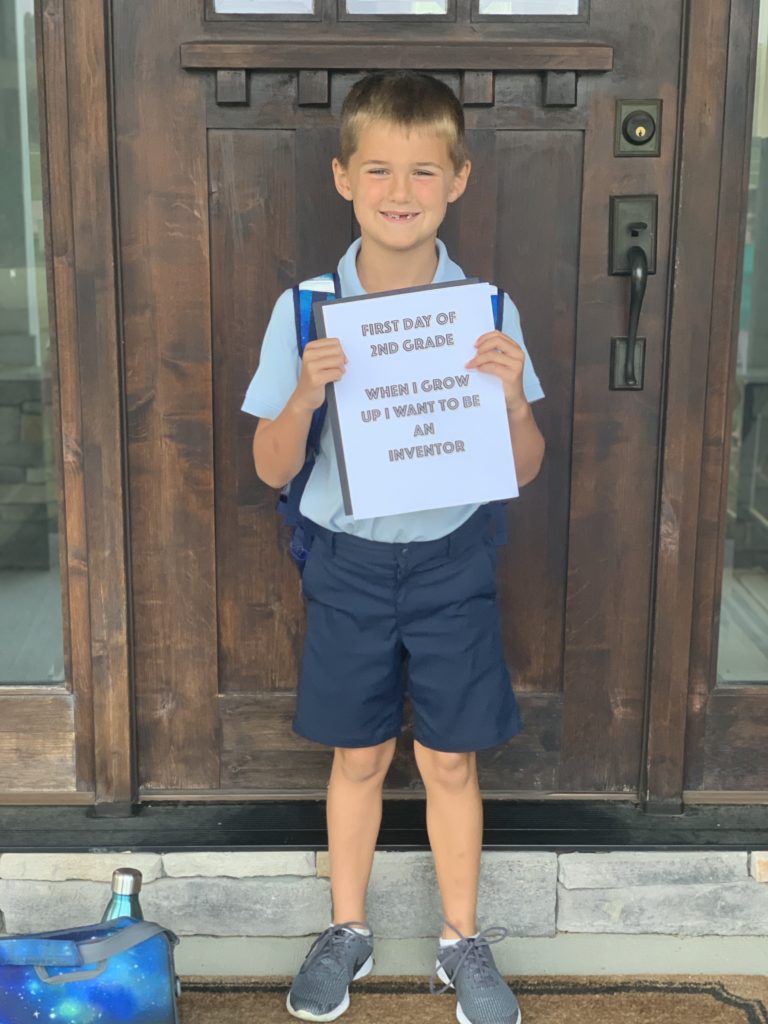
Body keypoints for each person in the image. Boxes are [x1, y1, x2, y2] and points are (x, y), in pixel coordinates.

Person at [241, 70, 546, 1024]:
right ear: (343, 178)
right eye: (378, 170)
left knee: (452, 761)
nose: (400, 191)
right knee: (360, 755)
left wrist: (510, 401)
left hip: (454, 559)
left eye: (422, 171)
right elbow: (268, 464)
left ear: (458, 179)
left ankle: (462, 941)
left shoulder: (486, 312)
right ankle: (348, 929)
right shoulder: (306, 308)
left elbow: (524, 467)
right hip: (349, 566)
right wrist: (306, 394)